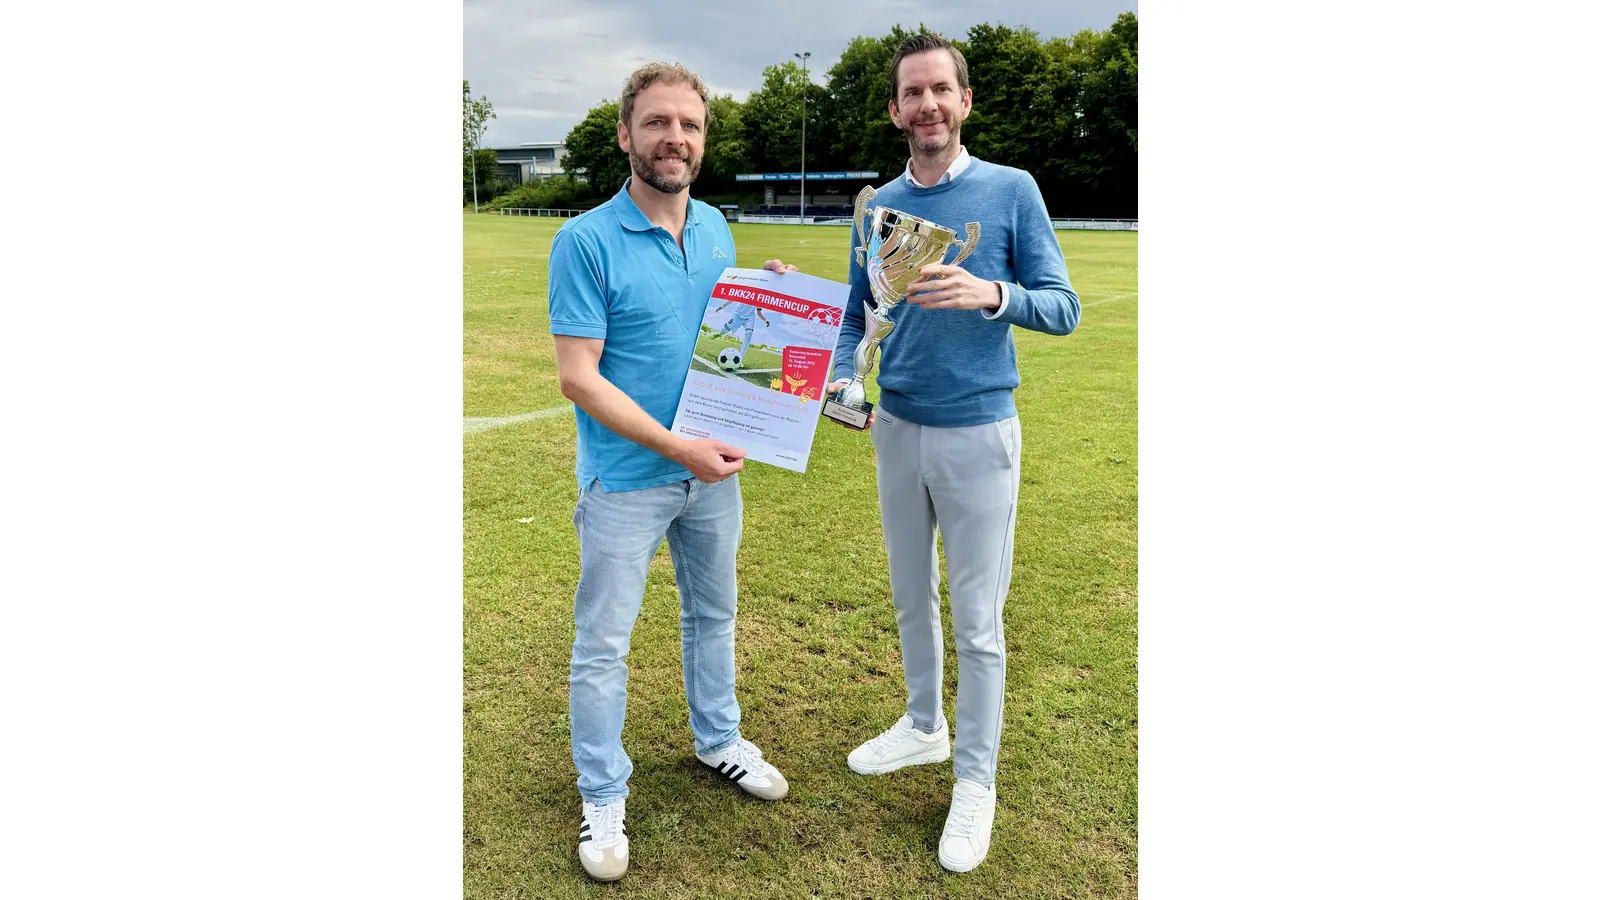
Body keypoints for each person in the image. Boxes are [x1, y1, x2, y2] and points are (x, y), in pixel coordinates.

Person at [825, 31, 1081, 873]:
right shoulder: (876, 206)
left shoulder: (1011, 191)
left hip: (978, 432)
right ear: (895, 109)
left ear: (964, 102)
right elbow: (852, 316)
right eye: (913, 93)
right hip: (897, 428)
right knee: (909, 598)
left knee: (978, 620)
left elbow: (1063, 306)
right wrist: (841, 385)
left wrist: (993, 293)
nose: (928, 105)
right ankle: (924, 728)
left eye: (942, 90)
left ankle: (976, 780)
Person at [546, 61, 799, 883]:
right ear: (626, 135)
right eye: (656, 123)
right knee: (603, 646)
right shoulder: (583, 240)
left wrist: (778, 296)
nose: (674, 138)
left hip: (710, 473)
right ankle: (602, 793)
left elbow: (729, 334)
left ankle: (718, 740)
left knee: (713, 616)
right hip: (626, 479)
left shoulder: (718, 226)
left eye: (687, 124)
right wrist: (675, 447)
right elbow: (579, 376)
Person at [711, 299, 770, 363]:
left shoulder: (758, 298)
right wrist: (722, 306)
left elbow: (758, 312)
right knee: (725, 330)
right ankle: (717, 334)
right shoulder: (744, 292)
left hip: (749, 318)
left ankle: (740, 359)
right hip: (737, 315)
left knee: (749, 335)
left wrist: (765, 320)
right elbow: (732, 299)